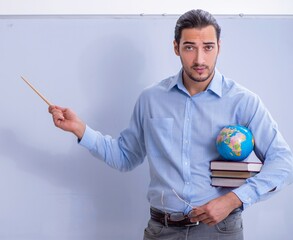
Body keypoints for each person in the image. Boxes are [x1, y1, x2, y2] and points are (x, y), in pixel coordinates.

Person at [49, 9, 293, 240]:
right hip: (161, 231)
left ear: (219, 47)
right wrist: (80, 130)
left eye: (208, 47)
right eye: (190, 47)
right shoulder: (150, 99)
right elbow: (125, 157)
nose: (200, 59)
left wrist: (233, 200)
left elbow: (283, 163)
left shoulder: (243, 102)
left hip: (219, 231)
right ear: (176, 48)